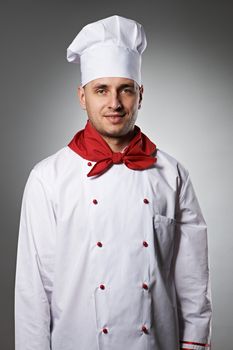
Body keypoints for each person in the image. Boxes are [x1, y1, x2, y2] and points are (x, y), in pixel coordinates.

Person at [14, 15, 212, 350]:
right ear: (82, 96)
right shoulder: (47, 178)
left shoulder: (173, 174)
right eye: (101, 90)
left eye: (125, 90)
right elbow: (33, 292)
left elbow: (192, 280)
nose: (114, 104)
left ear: (141, 94)